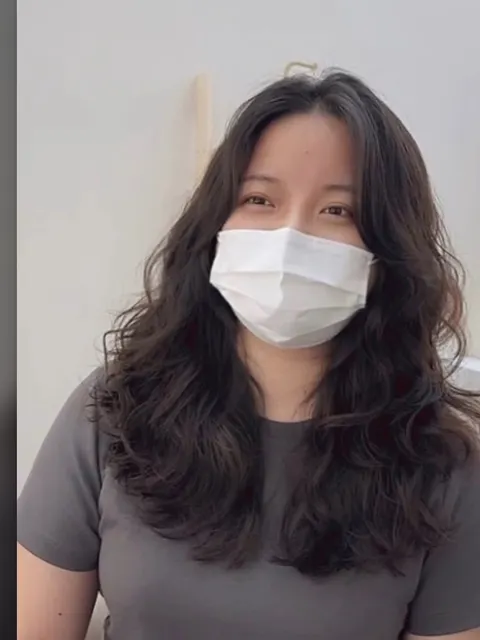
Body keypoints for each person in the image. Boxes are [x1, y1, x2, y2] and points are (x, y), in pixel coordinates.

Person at [17, 70, 480, 640]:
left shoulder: (443, 466)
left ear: (390, 250)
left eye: (338, 211)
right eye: (259, 199)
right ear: (216, 226)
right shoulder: (115, 410)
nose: (290, 237)